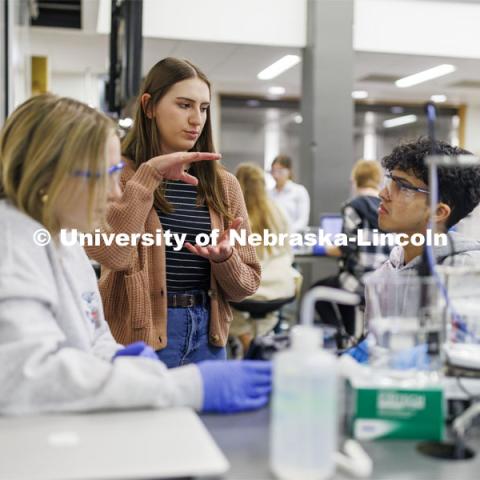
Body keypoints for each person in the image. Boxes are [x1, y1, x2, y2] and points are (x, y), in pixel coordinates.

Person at [0, 93, 271, 415]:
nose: (115, 192)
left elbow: (93, 331)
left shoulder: (62, 238)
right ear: (47, 176)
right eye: (103, 175)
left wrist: (116, 357)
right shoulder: (11, 246)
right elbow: (27, 378)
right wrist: (182, 386)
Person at [87, 58, 260, 368]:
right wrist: (148, 176)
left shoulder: (224, 185)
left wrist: (224, 259)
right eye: (184, 105)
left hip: (209, 337)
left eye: (204, 108)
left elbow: (246, 286)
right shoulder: (122, 176)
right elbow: (110, 253)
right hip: (139, 338)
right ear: (149, 106)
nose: (196, 119)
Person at [349, 138, 480, 364]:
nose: (383, 193)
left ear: (438, 211)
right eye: (390, 180)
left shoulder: (466, 272)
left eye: (403, 186)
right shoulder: (384, 274)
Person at [312, 159, 390, 336]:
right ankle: (351, 336)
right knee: (340, 284)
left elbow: (345, 248)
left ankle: (341, 335)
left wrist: (322, 248)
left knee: (318, 291)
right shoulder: (386, 206)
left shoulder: (353, 207)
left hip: (360, 282)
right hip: (384, 282)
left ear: (355, 180)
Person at [230, 163, 301, 354]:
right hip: (280, 288)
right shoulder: (279, 211)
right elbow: (290, 251)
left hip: (246, 290)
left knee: (219, 303)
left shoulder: (231, 214)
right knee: (268, 313)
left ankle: (247, 340)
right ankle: (260, 341)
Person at [268, 154, 310, 233]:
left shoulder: (299, 191)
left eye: (280, 171)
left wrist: (286, 233)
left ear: (289, 171)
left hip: (293, 238)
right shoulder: (268, 193)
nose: (276, 175)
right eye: (273, 171)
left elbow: (303, 220)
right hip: (272, 238)